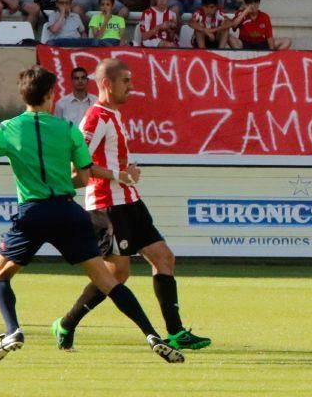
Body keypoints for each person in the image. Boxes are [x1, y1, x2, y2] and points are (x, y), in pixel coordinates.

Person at [0, 65, 185, 364]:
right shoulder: (68, 129)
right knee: (109, 281)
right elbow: (84, 178)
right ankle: (152, 335)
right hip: (70, 213)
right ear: (50, 94)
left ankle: (13, 330)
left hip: (33, 213)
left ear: (23, 95)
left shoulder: (7, 129)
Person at [52, 58, 211, 353]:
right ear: (106, 84)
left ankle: (175, 332)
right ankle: (67, 323)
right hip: (107, 205)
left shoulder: (113, 115)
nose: (132, 86)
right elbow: (78, 164)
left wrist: (125, 173)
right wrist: (117, 174)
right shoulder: (96, 117)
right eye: (126, 81)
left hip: (130, 200)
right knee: (116, 275)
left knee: (164, 258)